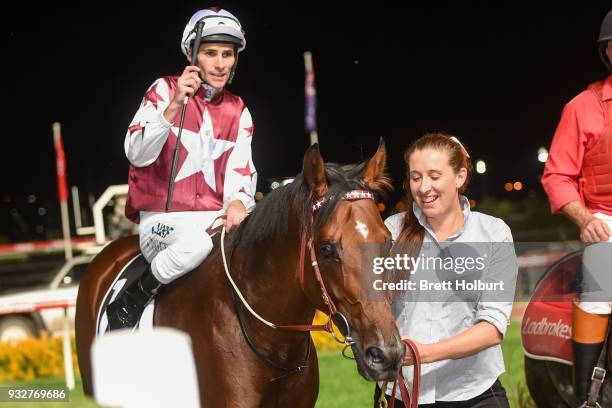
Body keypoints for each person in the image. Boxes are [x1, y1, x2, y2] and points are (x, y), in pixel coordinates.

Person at [107, 7, 257, 330]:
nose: (220, 63)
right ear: (192, 54)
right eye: (210, 53)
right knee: (198, 244)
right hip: (161, 222)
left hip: (211, 220)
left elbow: (241, 174)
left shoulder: (239, 110)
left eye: (227, 54)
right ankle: (134, 298)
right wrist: (174, 106)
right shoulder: (163, 89)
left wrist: (238, 201)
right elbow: (136, 153)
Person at [375, 133, 517, 407]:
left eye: (434, 176)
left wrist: (422, 354)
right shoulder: (391, 231)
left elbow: (492, 328)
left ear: (460, 177)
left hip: (474, 393)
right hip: (400, 393)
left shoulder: (493, 232)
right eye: (416, 177)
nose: (424, 187)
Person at [541, 9, 612, 405]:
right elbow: (556, 175)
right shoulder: (582, 107)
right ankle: (590, 394)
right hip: (606, 219)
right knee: (601, 287)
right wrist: (584, 219)